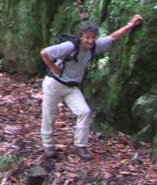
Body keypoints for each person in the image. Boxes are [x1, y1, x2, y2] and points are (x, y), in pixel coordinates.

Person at [40, 14, 143, 160]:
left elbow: (113, 37)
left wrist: (130, 25)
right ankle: (48, 145)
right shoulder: (70, 46)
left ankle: (80, 146)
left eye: (93, 37)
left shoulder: (94, 46)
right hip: (54, 84)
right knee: (49, 114)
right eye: (87, 37)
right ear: (80, 36)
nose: (90, 40)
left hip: (71, 87)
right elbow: (44, 52)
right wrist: (53, 67)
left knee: (84, 111)